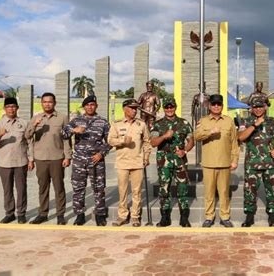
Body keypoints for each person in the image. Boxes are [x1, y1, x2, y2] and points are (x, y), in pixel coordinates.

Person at [61, 95, 111, 226]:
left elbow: (110, 140)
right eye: (87, 105)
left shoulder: (103, 122)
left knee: (99, 188)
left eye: (92, 104)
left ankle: (100, 214)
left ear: (96, 106)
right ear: (84, 107)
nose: (90, 107)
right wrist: (73, 130)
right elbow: (63, 134)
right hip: (79, 160)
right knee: (78, 188)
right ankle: (80, 214)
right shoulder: (76, 120)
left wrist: (101, 154)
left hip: (96, 160)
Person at [25, 92, 72, 225]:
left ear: (54, 103)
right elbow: (27, 136)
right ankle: (43, 213)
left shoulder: (62, 118)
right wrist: (34, 125)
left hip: (57, 158)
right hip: (41, 158)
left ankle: (60, 214)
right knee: (43, 188)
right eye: (44, 102)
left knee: (59, 187)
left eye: (50, 102)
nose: (47, 104)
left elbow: (67, 138)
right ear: (41, 103)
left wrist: (67, 156)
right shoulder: (36, 118)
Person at [238, 97, 274, 227]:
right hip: (252, 164)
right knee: (249, 191)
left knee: (272, 190)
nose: (258, 109)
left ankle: (272, 216)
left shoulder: (273, 121)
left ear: (265, 107)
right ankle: (249, 216)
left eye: (260, 106)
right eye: (255, 107)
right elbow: (240, 137)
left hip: (270, 164)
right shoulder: (245, 121)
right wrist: (255, 125)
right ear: (252, 108)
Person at [195, 94, 239, 227]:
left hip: (225, 163)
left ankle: (225, 217)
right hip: (208, 163)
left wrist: (235, 159)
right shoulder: (203, 121)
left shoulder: (228, 121)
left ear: (222, 106)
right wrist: (210, 132)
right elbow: (196, 136)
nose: (216, 106)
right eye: (213, 104)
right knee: (209, 192)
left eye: (218, 104)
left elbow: (234, 142)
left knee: (224, 192)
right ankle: (209, 216)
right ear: (209, 106)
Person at [0, 97, 34, 224]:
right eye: (8, 107)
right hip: (4, 163)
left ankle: (21, 213)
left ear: (17, 108)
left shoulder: (24, 123)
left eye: (13, 106)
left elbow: (30, 142)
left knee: (21, 189)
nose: (11, 109)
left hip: (21, 162)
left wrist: (31, 159)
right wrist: (0, 134)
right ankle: (9, 213)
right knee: (7, 189)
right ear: (4, 109)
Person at [150, 97, 194, 227]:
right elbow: (153, 143)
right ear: (164, 108)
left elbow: (191, 140)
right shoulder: (158, 124)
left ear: (175, 107)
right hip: (164, 162)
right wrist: (164, 136)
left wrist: (184, 151)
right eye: (167, 107)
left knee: (183, 189)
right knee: (164, 189)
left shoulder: (184, 123)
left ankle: (184, 217)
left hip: (180, 161)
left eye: (172, 107)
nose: (169, 109)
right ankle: (165, 217)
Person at [108, 99, 151, 227]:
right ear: (124, 108)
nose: (134, 110)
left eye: (135, 108)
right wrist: (122, 141)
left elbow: (147, 141)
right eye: (131, 108)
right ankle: (122, 216)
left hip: (137, 162)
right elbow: (110, 140)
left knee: (137, 191)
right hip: (122, 163)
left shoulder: (141, 124)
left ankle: (135, 216)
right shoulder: (116, 124)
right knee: (123, 191)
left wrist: (146, 156)